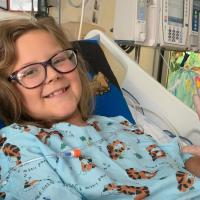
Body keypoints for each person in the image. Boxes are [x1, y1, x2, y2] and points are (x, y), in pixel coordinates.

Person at [0, 17, 200, 200]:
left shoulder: (119, 124)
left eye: (59, 59)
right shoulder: (19, 143)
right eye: (30, 72)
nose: (53, 74)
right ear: (8, 91)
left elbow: (178, 160)